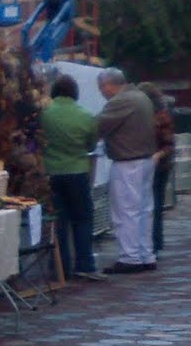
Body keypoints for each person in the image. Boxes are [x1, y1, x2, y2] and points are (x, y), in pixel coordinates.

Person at [40, 74, 103, 282]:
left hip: (51, 172)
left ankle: (60, 267)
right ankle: (84, 263)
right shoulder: (86, 116)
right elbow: (91, 145)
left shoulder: (44, 114)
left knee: (57, 220)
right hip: (78, 171)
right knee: (82, 219)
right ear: (75, 93)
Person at [95, 68, 157, 274]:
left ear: (109, 85)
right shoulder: (141, 97)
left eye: (101, 88)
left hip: (127, 162)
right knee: (144, 210)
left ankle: (130, 257)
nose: (102, 93)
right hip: (145, 159)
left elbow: (98, 125)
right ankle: (146, 254)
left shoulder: (121, 101)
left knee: (125, 211)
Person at [138, 82, 176, 256]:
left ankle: (153, 241)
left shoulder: (159, 117)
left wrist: (157, 155)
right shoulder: (161, 115)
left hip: (157, 165)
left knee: (153, 204)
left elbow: (168, 144)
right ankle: (155, 241)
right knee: (156, 204)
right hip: (159, 164)